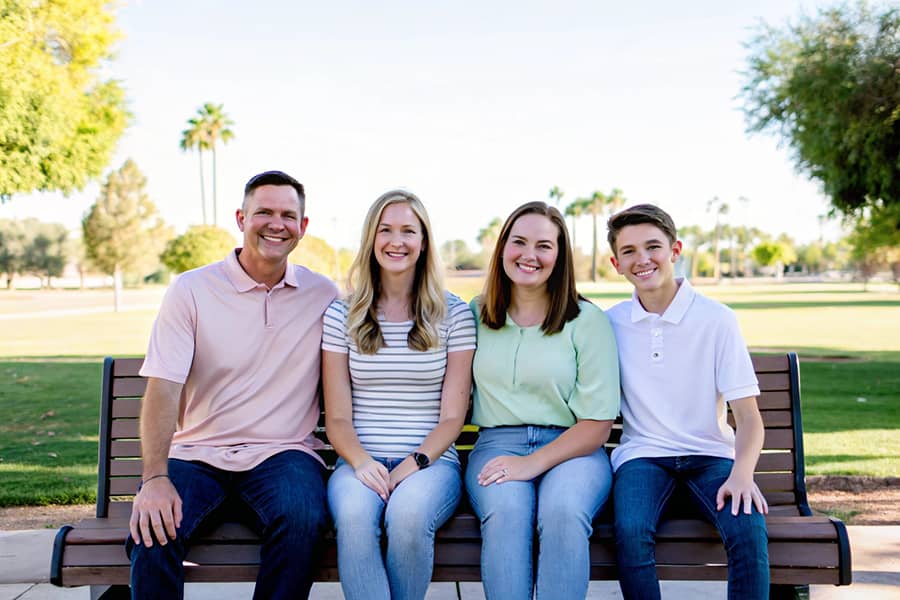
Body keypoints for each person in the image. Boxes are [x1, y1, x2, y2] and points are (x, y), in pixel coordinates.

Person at [126, 170, 338, 600]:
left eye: (287, 215)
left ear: (303, 226)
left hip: (284, 452)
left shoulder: (322, 294)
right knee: (153, 528)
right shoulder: (191, 289)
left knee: (302, 519)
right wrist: (153, 478)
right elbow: (163, 387)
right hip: (196, 452)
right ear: (241, 218)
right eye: (263, 212)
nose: (276, 224)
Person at [605, 203, 770, 600]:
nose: (642, 260)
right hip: (643, 456)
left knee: (747, 527)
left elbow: (748, 418)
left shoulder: (717, 320)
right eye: (629, 251)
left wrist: (743, 475)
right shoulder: (609, 323)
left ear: (675, 250)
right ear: (615, 262)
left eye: (653, 247)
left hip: (711, 455)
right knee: (629, 530)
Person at [322, 189, 476, 600]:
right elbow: (337, 418)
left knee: (408, 516)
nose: (397, 241)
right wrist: (361, 462)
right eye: (385, 230)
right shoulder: (342, 315)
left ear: (424, 241)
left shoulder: (454, 313)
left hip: (431, 464)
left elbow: (451, 418)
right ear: (371, 241)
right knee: (354, 516)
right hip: (359, 460)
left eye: (409, 231)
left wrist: (415, 462)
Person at [465, 201, 620, 600]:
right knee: (507, 513)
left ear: (560, 255)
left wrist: (531, 464)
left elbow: (597, 425)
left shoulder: (587, 320)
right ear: (502, 249)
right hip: (497, 444)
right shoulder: (476, 314)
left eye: (543, 246)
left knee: (563, 512)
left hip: (575, 448)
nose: (529, 255)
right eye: (518, 242)